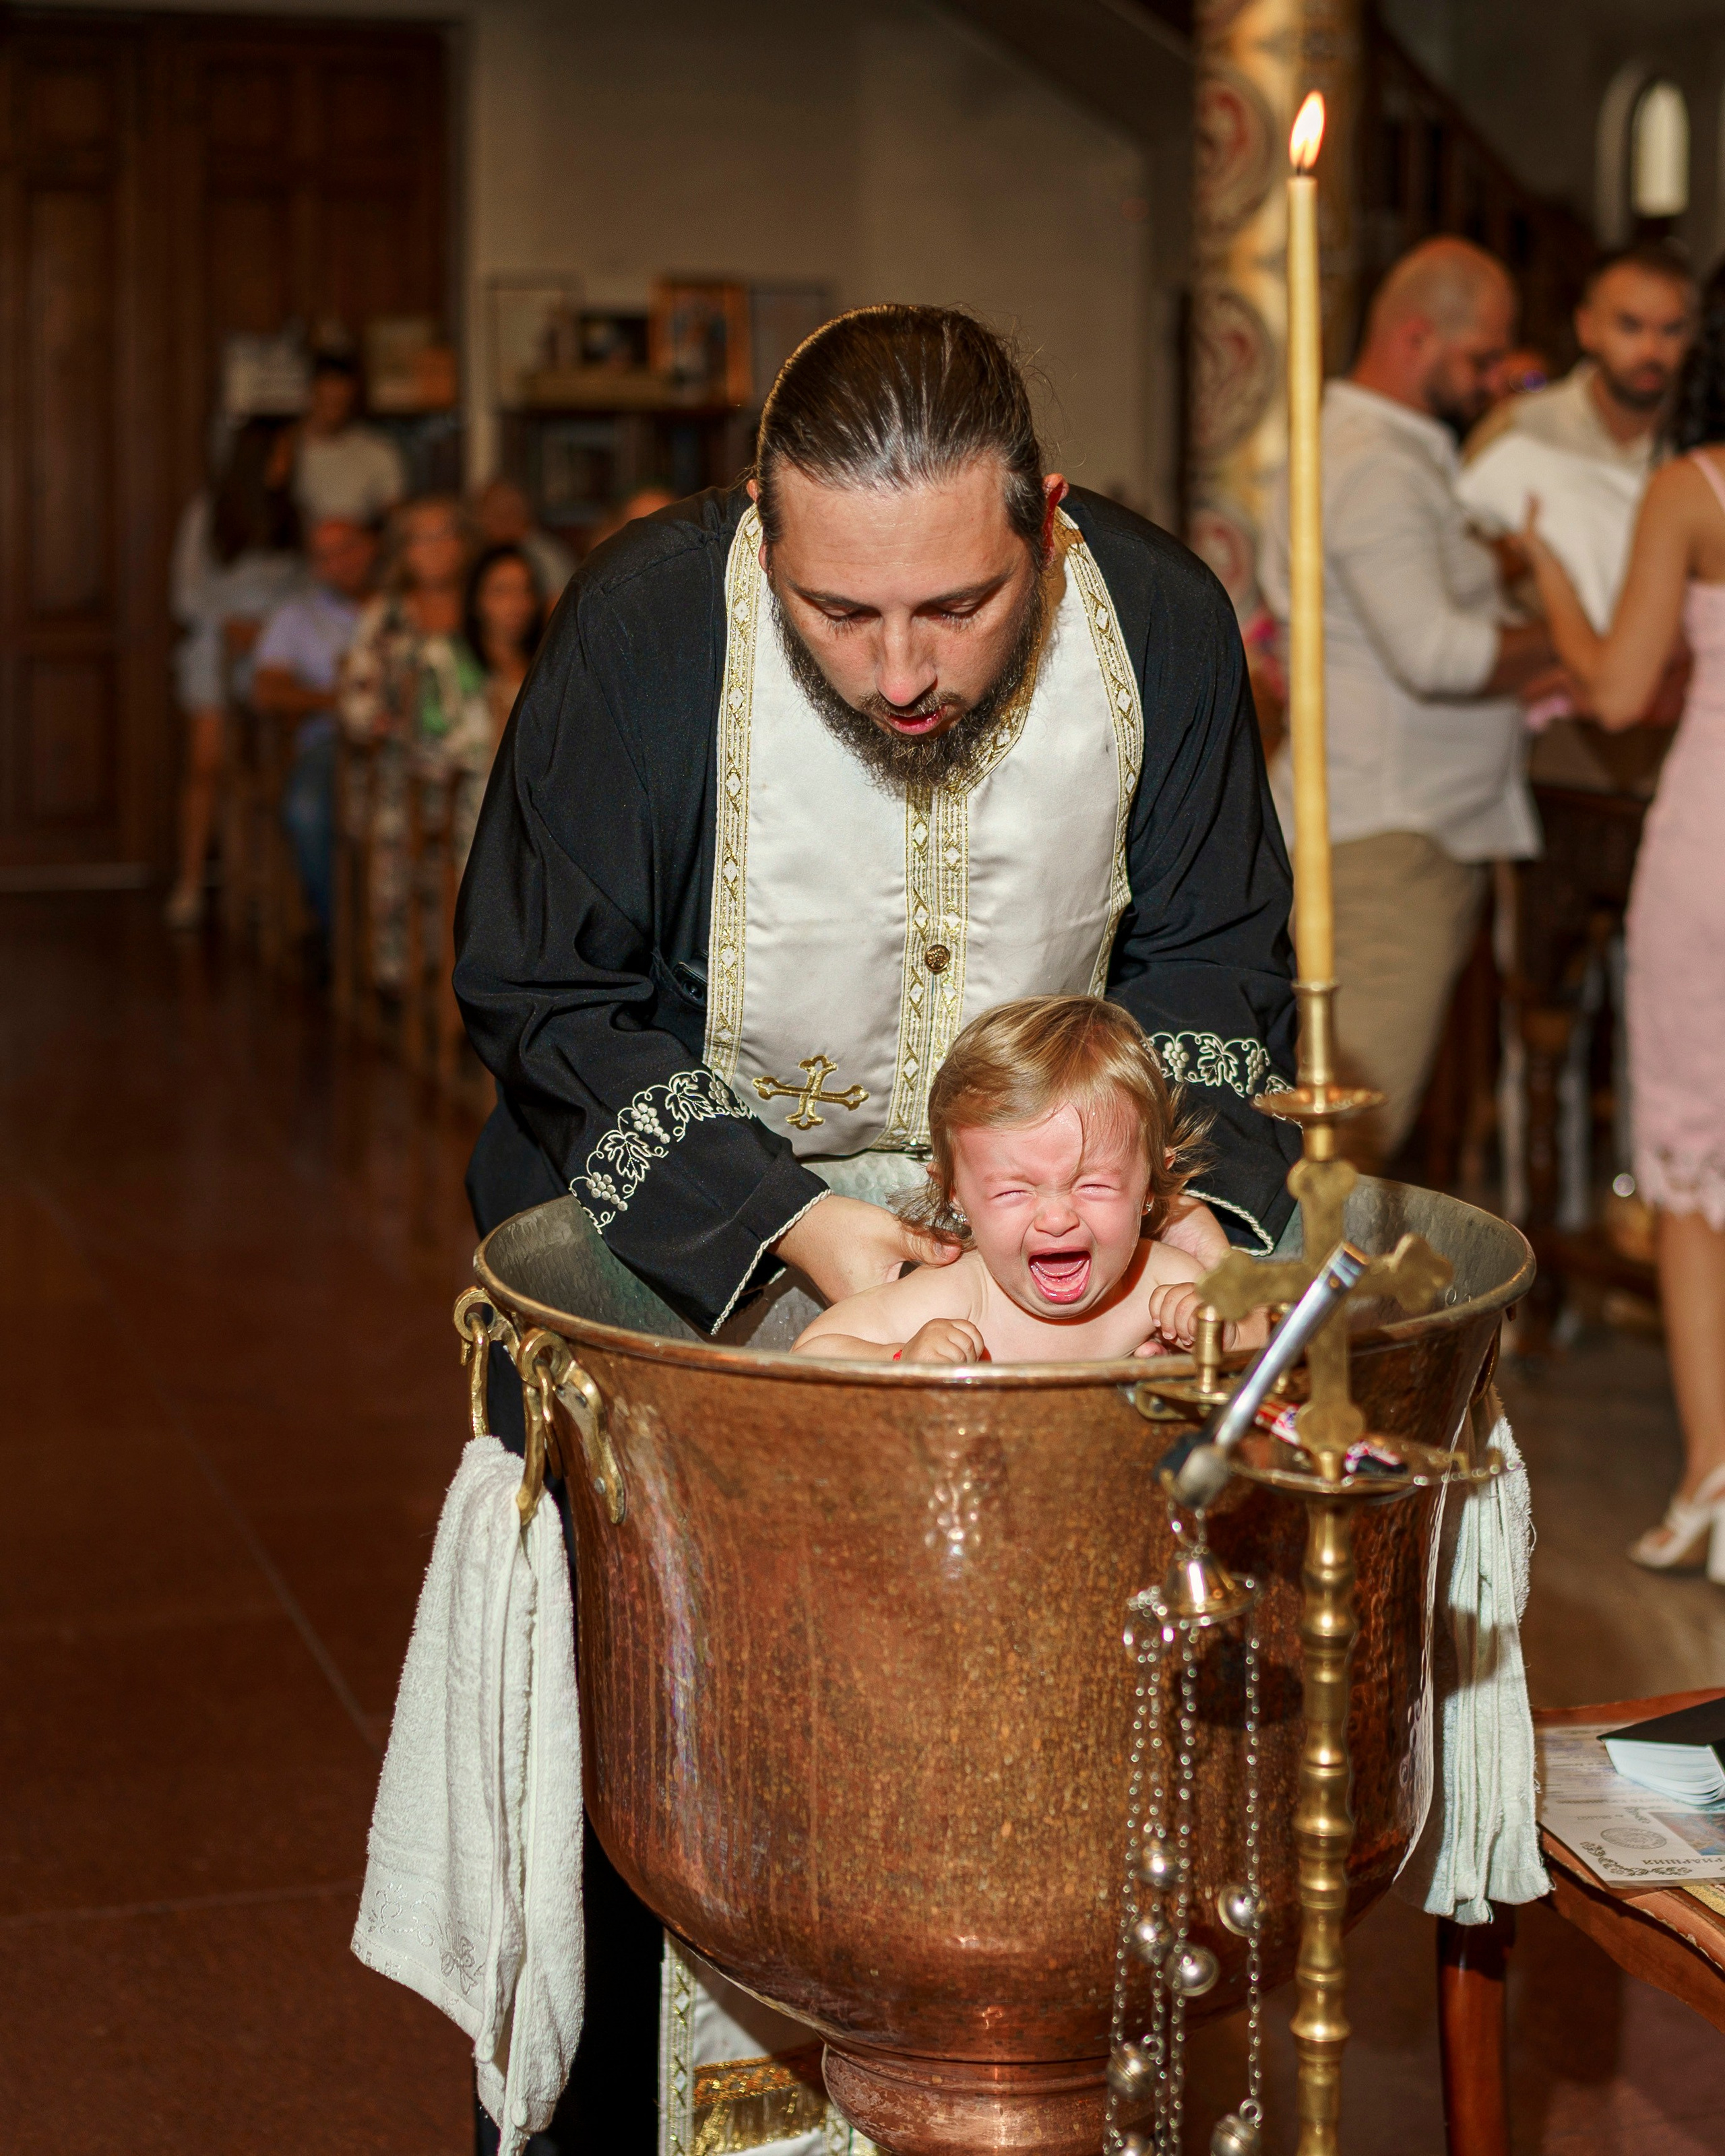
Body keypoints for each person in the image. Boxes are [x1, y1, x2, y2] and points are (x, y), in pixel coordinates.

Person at [454, 302, 1300, 2152]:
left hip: (1060, 1250)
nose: (903, 671)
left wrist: (1192, 1227)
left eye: (959, 608)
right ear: (764, 525)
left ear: (1047, 520)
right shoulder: (645, 622)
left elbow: (1222, 961)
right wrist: (798, 1235)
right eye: (841, 615)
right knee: (678, 1750)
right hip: (689, 1248)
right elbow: (541, 989)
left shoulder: (1154, 618)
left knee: (1041, 1753)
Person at [1259, 236, 1556, 1168]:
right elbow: (1435, 652)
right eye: (1481, 357)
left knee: (1330, 1134)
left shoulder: (1361, 447)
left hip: (1369, 821)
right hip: (1387, 844)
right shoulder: (1379, 465)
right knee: (1341, 1153)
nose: (1497, 378)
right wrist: (1580, 647)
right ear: (1416, 338)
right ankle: (1297, 1319)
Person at [1519, 257, 1725, 1578]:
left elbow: (1607, 687)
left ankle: (1712, 1478)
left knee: (1694, 1169)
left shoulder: (1689, 488)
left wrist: (1541, 554)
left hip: (1709, 844)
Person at [791, 996, 1264, 1363]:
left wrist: (1217, 1334)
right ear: (957, 1195)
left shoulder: (1163, 1280)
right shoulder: (959, 1296)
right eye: (1013, 1191)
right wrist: (900, 1358)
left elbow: (1269, 1348)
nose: (1057, 1218)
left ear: (1150, 1183)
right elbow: (813, 1354)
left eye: (1094, 1184)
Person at [165, 416, 304, 930]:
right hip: (215, 650)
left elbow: (303, 591)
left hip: (275, 653)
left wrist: (270, 630)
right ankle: (190, 881)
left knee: (270, 769)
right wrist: (230, 625)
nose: (287, 465)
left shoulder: (293, 515)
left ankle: (264, 888)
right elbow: (187, 592)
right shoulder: (210, 513)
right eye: (280, 454)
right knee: (207, 765)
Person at [339, 495, 478, 988]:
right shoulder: (387, 615)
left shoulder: (486, 604)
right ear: (404, 550)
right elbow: (356, 706)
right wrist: (398, 726)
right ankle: (402, 977)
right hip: (403, 769)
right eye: (423, 537)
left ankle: (476, 981)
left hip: (482, 767)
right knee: (401, 828)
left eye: (447, 533)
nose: (437, 547)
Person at [251, 516, 379, 930]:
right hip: (331, 743)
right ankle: (338, 935)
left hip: (402, 742)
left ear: (370, 547)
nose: (339, 563)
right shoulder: (296, 615)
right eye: (325, 556)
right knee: (307, 809)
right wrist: (339, 702)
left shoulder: (397, 606)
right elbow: (266, 690)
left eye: (347, 548)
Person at [294, 352, 406, 528]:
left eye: (339, 402)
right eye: (326, 400)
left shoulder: (378, 450)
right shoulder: (285, 448)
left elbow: (395, 517)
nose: (332, 411)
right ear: (310, 394)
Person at [472, 477, 575, 601]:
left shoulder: (544, 556)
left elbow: (558, 604)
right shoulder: (490, 555)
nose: (482, 524)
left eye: (486, 514)